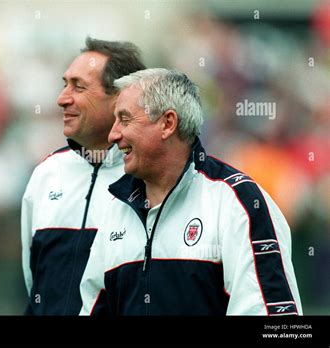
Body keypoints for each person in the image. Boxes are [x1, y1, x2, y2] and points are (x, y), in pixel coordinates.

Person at [80, 68, 302, 315]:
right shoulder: (116, 210)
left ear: (168, 123)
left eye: (125, 119)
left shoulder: (240, 203)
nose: (113, 134)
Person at [21, 37, 146, 315]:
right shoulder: (46, 174)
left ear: (120, 97)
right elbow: (34, 285)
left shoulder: (152, 180)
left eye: (78, 86)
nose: (62, 99)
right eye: (64, 84)